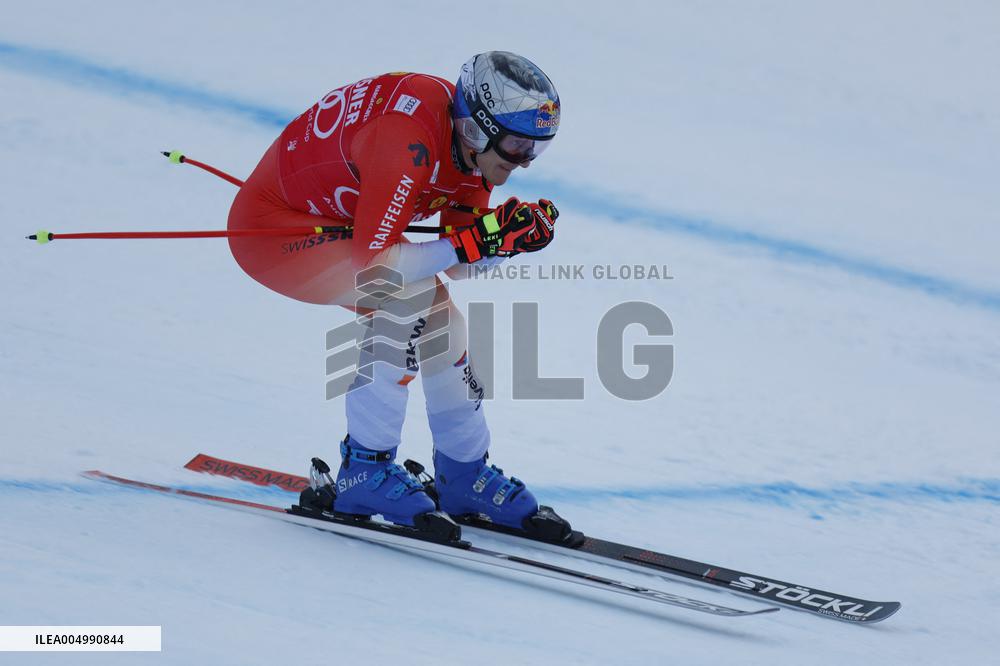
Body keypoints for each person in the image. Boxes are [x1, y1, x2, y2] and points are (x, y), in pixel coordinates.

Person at [226, 51, 563, 534]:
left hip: (347, 228)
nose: (524, 162)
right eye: (516, 145)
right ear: (477, 128)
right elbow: (375, 268)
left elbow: (459, 264)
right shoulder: (407, 140)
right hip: (276, 234)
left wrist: (505, 241)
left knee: (443, 324)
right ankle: (364, 469)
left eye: (535, 149)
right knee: (405, 300)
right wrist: (475, 241)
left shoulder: (470, 150)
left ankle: (463, 472)